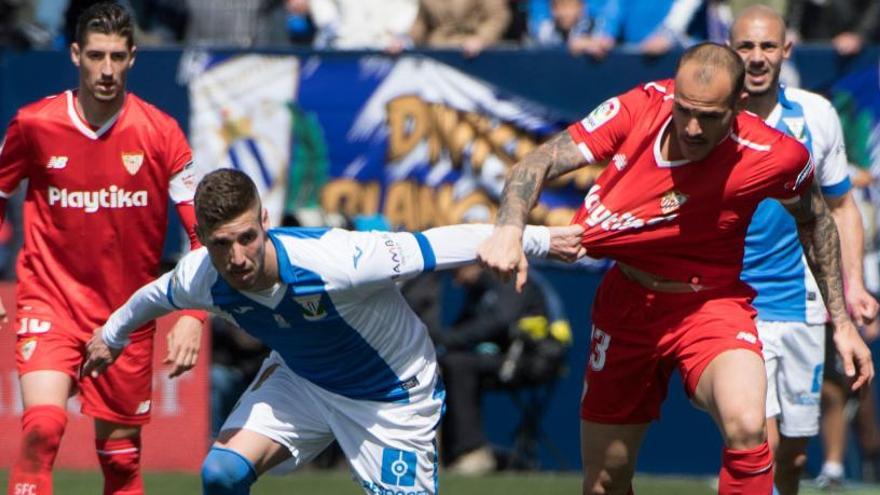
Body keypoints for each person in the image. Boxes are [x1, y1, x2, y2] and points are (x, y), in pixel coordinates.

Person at [477, 42, 875, 494]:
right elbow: (539, 160)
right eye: (684, 110)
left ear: (739, 106)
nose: (692, 127)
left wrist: (841, 323)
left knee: (749, 427)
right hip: (629, 305)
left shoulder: (774, 154)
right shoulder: (639, 108)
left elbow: (817, 220)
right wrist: (510, 227)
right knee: (607, 478)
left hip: (712, 305)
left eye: (709, 116)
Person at [81, 169, 585, 494]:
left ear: (265, 220)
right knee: (220, 474)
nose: (237, 258)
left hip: (392, 397)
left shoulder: (337, 261)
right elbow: (150, 297)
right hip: (302, 381)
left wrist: (536, 238)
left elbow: (435, 243)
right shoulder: (202, 276)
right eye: (221, 245)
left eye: (247, 238)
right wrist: (111, 336)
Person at [0, 3, 205, 494]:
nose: (107, 70)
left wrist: (193, 316)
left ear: (133, 56)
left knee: (120, 462)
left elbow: (201, 234)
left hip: (127, 315)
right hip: (50, 300)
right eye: (96, 56)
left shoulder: (162, 134)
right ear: (75, 54)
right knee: (42, 431)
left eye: (117, 56)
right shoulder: (34, 124)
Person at [728, 6, 879, 494]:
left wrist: (853, 284)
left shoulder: (815, 114)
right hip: (729, 304)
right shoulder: (705, 117)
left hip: (801, 303)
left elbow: (841, 207)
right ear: (729, 51)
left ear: (786, 50)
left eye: (766, 47)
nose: (756, 58)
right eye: (745, 47)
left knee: (791, 453)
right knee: (755, 438)